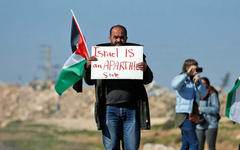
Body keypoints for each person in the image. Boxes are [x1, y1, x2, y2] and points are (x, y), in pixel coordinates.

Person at [83, 25, 153, 150]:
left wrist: (146, 69)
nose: (118, 40)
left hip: (131, 110)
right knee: (111, 147)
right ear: (110, 38)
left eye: (121, 37)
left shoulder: (135, 54)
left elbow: (148, 79)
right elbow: (89, 81)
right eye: (115, 37)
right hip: (109, 110)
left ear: (126, 38)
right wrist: (88, 67)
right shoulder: (101, 56)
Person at [171, 59, 207, 150]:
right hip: (184, 115)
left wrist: (198, 83)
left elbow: (203, 94)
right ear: (187, 67)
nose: (196, 70)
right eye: (194, 68)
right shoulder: (181, 79)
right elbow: (174, 85)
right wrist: (186, 74)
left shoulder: (195, 80)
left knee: (186, 144)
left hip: (193, 115)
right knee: (194, 143)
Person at [195, 77, 220, 150]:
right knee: (199, 147)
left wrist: (201, 109)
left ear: (208, 84)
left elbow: (216, 109)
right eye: (200, 83)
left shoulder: (212, 94)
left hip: (211, 125)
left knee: (211, 147)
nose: (202, 85)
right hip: (199, 125)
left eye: (204, 83)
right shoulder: (196, 94)